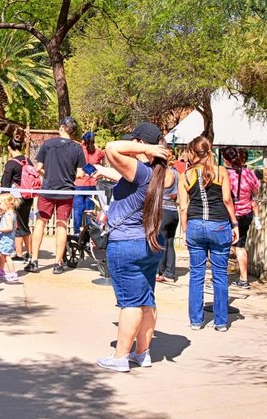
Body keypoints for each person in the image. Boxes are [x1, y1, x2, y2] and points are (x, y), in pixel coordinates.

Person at [95, 122, 168, 372]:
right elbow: (128, 177)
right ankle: (142, 353)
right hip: (147, 244)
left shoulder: (143, 171)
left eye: (134, 141)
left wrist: (147, 148)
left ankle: (120, 357)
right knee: (146, 300)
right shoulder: (159, 174)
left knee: (130, 303)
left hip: (126, 244)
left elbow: (111, 147)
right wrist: (106, 172)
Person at [178, 136, 239, 332]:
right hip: (219, 225)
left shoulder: (185, 176)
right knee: (220, 275)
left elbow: (183, 207)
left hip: (195, 225)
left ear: (193, 153)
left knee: (196, 274)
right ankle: (220, 322)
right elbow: (227, 200)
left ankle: (196, 320)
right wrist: (235, 224)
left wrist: (186, 230)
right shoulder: (220, 172)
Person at [25, 117, 85, 274]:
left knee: (40, 222)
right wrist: (69, 176)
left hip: (48, 189)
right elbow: (80, 174)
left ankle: (34, 260)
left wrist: (48, 174)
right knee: (62, 224)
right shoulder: (77, 148)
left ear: (61, 128)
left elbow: (38, 168)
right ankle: (57, 264)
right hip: (66, 190)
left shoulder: (48, 144)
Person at [222, 146, 261, 289]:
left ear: (226, 160)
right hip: (246, 213)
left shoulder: (225, 174)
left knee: (223, 246)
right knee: (240, 246)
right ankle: (244, 279)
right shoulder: (249, 173)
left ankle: (220, 278)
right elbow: (256, 191)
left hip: (229, 214)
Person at [0, 138, 35, 262]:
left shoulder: (11, 163)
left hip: (16, 198)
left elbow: (5, 183)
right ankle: (30, 253)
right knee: (24, 224)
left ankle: (19, 254)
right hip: (28, 197)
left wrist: (2, 198)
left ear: (10, 148)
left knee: (18, 225)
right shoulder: (28, 160)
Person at [73, 131, 106, 234]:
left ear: (83, 140)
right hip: (92, 184)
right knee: (89, 209)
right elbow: (102, 164)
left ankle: (77, 231)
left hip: (78, 183)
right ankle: (89, 231)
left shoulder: (78, 150)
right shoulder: (99, 152)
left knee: (77, 209)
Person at [156, 148, 179, 283]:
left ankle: (161, 271)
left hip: (163, 210)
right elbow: (176, 194)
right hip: (173, 210)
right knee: (170, 243)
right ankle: (170, 273)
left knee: (161, 242)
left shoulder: (163, 173)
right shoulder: (176, 174)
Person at [0, 193, 20, 283]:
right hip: (6, 239)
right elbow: (16, 226)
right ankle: (1, 270)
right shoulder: (12, 214)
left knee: (7, 256)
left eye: (0, 204)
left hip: (7, 239)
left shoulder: (8, 216)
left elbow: (10, 228)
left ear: (8, 205)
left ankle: (13, 273)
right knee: (1, 254)